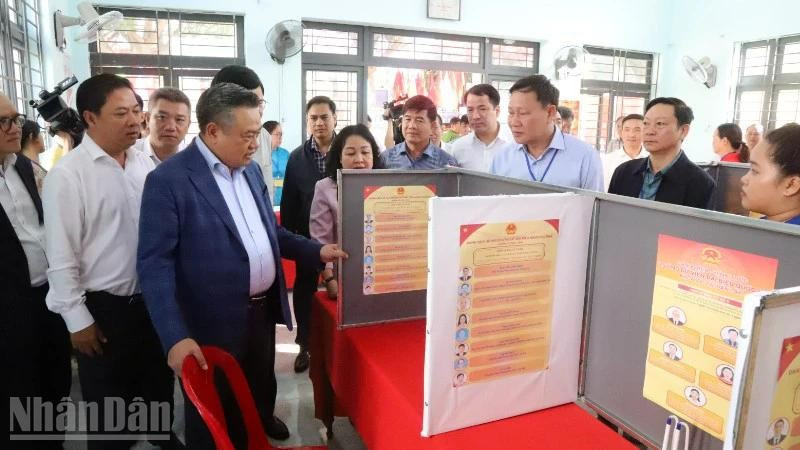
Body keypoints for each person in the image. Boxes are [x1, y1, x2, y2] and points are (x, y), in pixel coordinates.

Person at [138, 83, 347, 448]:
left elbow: (271, 233)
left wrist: (316, 251)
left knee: (255, 391)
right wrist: (174, 336)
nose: (257, 144)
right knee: (215, 415)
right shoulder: (169, 181)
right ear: (213, 131)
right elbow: (155, 266)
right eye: (249, 135)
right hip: (209, 323)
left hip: (260, 314)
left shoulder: (249, 171)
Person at [42, 74, 180, 449]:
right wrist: (76, 320)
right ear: (89, 117)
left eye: (137, 110)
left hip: (150, 302)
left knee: (157, 385)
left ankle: (159, 433)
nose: (135, 120)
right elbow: (60, 256)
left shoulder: (143, 165)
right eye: (121, 113)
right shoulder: (68, 176)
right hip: (104, 311)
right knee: (110, 411)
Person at [1, 93, 71, 449]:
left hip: (48, 297)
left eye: (16, 118)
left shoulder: (26, 168)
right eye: (4, 122)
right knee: (18, 391)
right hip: (9, 309)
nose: (15, 128)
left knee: (55, 383)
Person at [283, 95, 338, 373]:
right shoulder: (296, 157)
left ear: (335, 119)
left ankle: (339, 347)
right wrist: (293, 239)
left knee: (343, 294)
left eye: (324, 117)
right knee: (304, 293)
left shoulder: (347, 150)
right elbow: (290, 201)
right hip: (307, 240)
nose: (318, 123)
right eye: (313, 118)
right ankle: (304, 344)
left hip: (342, 240)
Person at [491, 75, 603, 191]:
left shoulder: (585, 157)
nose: (514, 122)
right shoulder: (502, 158)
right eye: (511, 113)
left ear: (550, 113)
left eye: (523, 113)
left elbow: (595, 207)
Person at [310, 124, 383, 299]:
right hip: (343, 275)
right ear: (340, 157)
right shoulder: (325, 188)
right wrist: (329, 279)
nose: (359, 159)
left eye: (365, 152)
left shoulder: (385, 186)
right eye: (350, 153)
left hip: (381, 274)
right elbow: (321, 239)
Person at [608, 98, 715, 208]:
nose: (649, 131)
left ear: (683, 131)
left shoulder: (701, 183)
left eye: (659, 123)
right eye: (646, 123)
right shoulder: (624, 171)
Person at [211, 65, 274, 200]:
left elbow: (267, 187)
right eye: (250, 103)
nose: (258, 110)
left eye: (260, 102)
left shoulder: (265, 136)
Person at [740, 123, 800, 225]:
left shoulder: (789, 239)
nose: (743, 179)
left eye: (755, 171)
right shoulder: (768, 227)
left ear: (791, 185)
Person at [450, 84, 515, 172]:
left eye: (482, 109)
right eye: (470, 110)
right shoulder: (458, 147)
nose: (475, 116)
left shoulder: (515, 144)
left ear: (497, 111)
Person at [380, 95, 457, 169]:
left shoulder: (446, 163)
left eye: (419, 120)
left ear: (432, 126)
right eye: (408, 119)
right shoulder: (386, 159)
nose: (412, 126)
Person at [132, 87, 191, 165]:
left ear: (188, 125)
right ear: (148, 119)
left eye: (179, 120)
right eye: (162, 117)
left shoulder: (196, 160)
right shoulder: (128, 155)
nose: (170, 127)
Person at [600, 114, 648, 191]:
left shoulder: (651, 159)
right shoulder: (608, 160)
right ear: (621, 132)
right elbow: (604, 189)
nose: (631, 134)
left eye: (637, 130)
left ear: (645, 132)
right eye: (627, 129)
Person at [263, 120, 290, 206]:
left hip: (284, 199)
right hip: (266, 200)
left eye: (281, 134)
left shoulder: (285, 154)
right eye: (277, 134)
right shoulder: (260, 154)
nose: (280, 137)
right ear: (267, 134)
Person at [20, 119, 47, 192]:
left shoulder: (20, 166)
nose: (43, 137)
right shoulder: (33, 169)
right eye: (40, 133)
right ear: (31, 136)